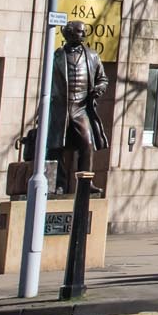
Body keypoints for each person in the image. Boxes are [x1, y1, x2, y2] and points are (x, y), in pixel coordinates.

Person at [49, 21, 109, 189]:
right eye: (80, 32)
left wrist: (99, 89)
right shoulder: (57, 56)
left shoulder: (92, 56)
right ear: (69, 34)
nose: (83, 35)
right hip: (61, 107)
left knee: (87, 144)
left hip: (81, 107)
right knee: (56, 147)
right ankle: (56, 184)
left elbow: (103, 79)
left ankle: (86, 183)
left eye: (83, 32)